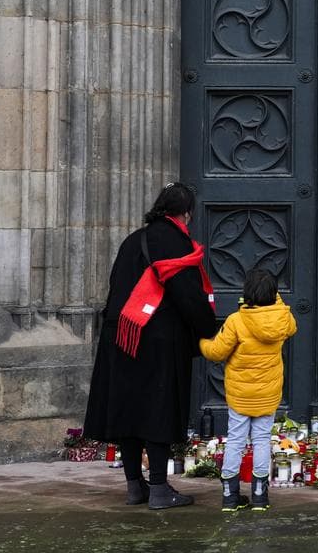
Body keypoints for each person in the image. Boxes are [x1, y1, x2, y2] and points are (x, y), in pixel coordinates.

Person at [83, 183, 218, 510]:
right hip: (157, 340)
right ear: (186, 212)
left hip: (121, 337)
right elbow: (187, 294)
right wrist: (209, 330)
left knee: (129, 410)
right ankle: (159, 487)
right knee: (158, 409)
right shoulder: (176, 242)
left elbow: (115, 287)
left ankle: (135, 487)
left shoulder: (132, 241)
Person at [199, 268, 297, 512]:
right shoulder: (282, 319)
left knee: (236, 440)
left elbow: (217, 352)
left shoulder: (236, 320)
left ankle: (230, 497)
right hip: (268, 392)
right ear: (275, 294)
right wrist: (276, 301)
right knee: (262, 440)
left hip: (240, 394)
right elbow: (291, 326)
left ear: (246, 294)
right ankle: (260, 496)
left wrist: (201, 342)